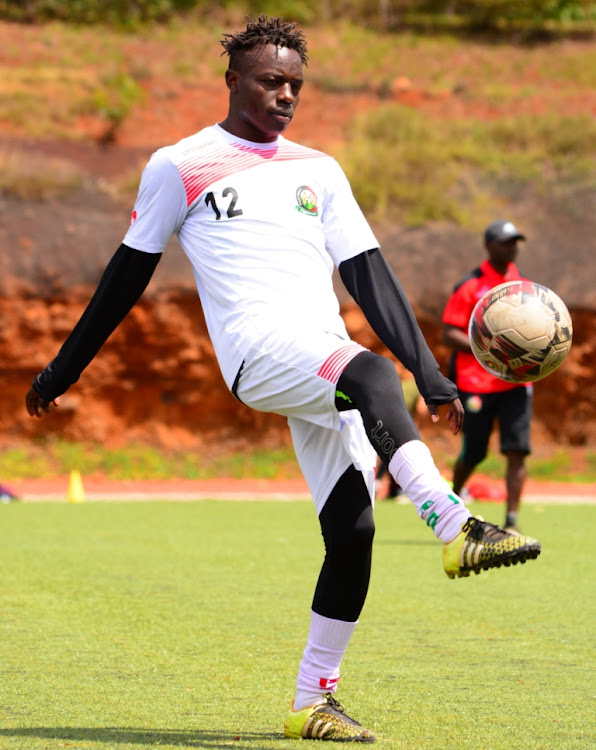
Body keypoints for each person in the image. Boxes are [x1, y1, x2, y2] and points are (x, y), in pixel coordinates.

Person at [25, 18, 541, 743]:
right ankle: (453, 523)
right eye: (271, 79)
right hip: (259, 356)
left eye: (295, 82)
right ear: (233, 80)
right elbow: (126, 276)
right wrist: (63, 368)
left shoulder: (320, 170)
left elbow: (369, 275)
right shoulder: (181, 165)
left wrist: (433, 377)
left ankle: (312, 701)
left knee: (353, 529)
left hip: (318, 356)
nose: (286, 93)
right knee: (367, 371)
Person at [442, 219, 533, 533]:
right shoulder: (470, 286)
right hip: (477, 385)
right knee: (474, 452)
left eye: (514, 243)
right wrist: (488, 349)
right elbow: (448, 333)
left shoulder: (523, 286)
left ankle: (511, 523)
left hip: (515, 382)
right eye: (505, 242)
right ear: (489, 246)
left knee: (517, 449)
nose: (511, 248)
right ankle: (451, 505)